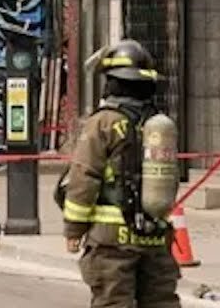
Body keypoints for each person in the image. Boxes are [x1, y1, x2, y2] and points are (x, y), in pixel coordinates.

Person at [61, 39, 181, 308]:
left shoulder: (103, 122)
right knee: (161, 302)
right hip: (154, 237)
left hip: (111, 242)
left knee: (113, 303)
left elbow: (84, 177)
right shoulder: (157, 124)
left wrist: (73, 229)